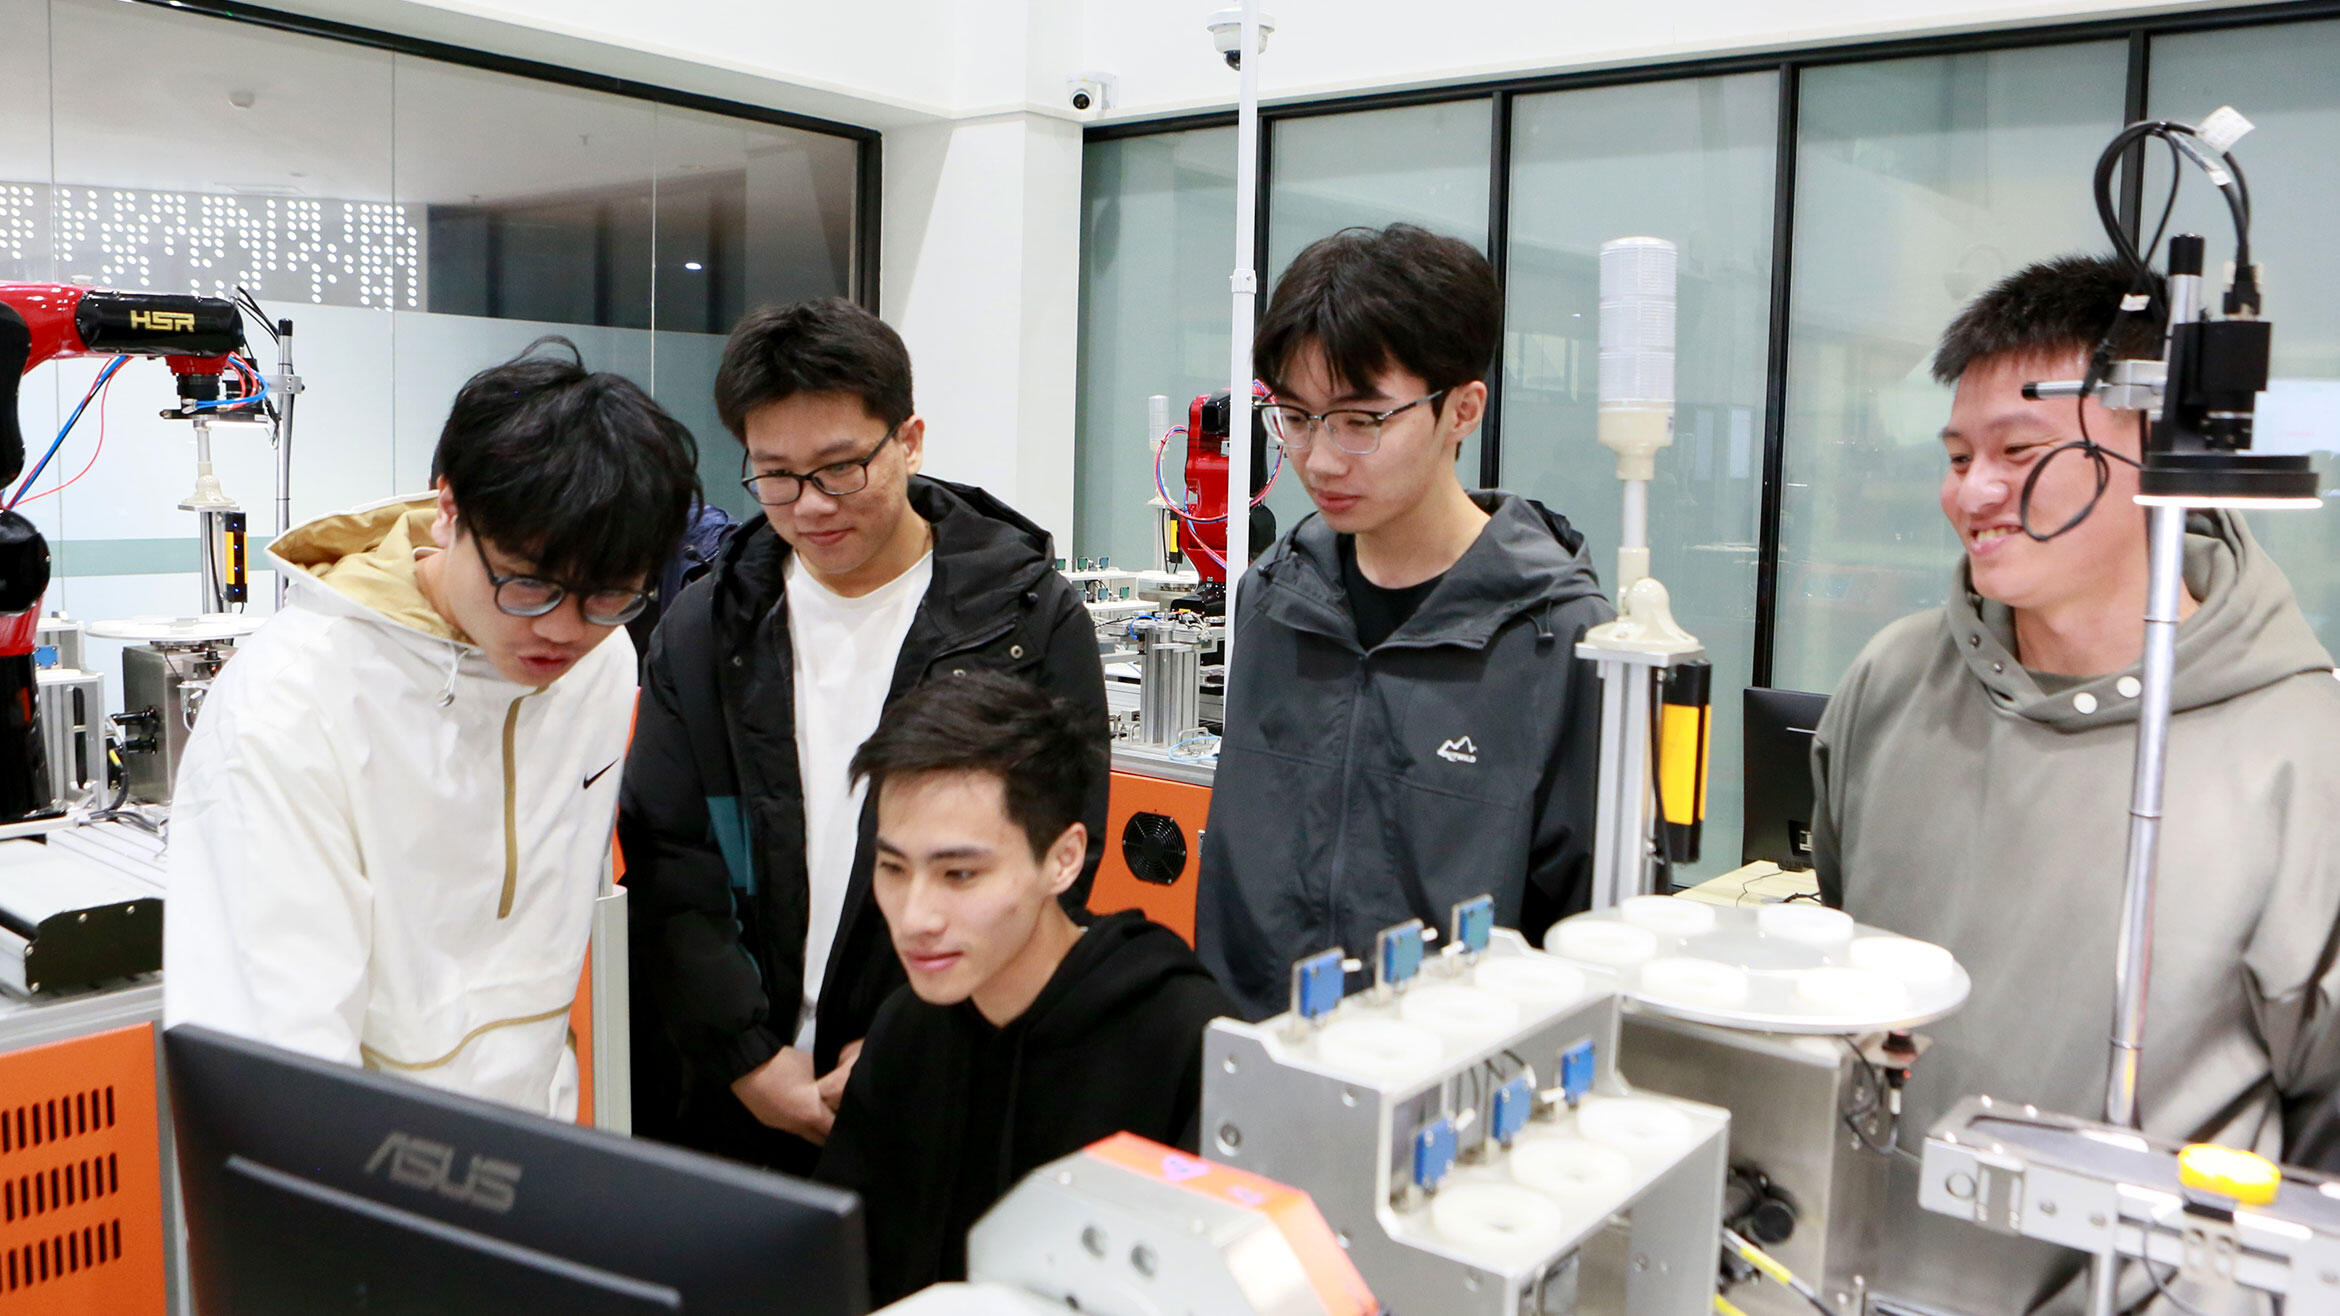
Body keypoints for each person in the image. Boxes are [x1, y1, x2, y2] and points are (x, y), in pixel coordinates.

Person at [1812, 254, 2340, 1314]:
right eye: (1958, 453)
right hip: (1863, 1275)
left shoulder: (2302, 746)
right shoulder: (1893, 678)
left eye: (2022, 451)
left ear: (2164, 449)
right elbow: (1842, 957)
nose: (1974, 491)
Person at [621, 297, 1109, 1171]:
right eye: (775, 475)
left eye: (841, 468)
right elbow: (672, 857)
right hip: (739, 1096)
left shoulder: (1024, 622)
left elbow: (1052, 871)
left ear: (909, 440)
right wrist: (748, 1058)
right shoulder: (705, 631)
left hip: (946, 1081)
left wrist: (908, 1046)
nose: (810, 506)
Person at [163, 338, 702, 1117]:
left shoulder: (603, 663)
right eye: (529, 584)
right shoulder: (294, 699)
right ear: (449, 508)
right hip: (355, 1164)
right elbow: (272, 1041)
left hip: (527, 1140)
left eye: (610, 596)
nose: (563, 630)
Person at [1195, 223, 1614, 1020]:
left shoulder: (1560, 637)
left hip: (1450, 1082)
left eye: (1361, 421)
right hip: (1260, 1060)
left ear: (1463, 408)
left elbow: (1585, 928)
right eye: (1294, 415)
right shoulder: (1275, 597)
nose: (1319, 459)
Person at [814, 671, 1233, 1303]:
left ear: (1063, 859)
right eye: (892, 868)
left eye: (959, 874)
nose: (914, 916)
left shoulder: (1180, 1039)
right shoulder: (906, 1029)